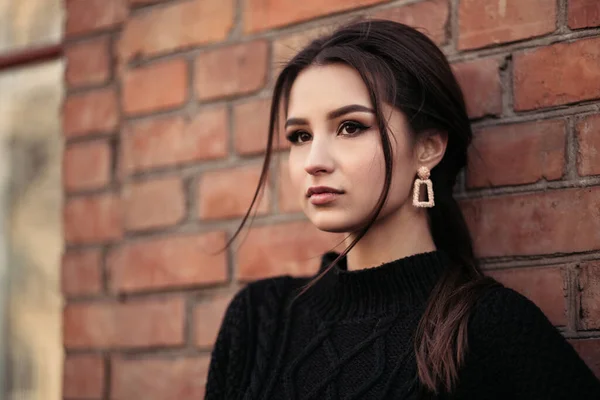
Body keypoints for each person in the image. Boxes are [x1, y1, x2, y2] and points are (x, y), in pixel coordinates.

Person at [204, 19, 600, 399]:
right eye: (300, 135)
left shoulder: (487, 326)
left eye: (351, 127)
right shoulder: (258, 319)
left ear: (427, 148)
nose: (313, 160)